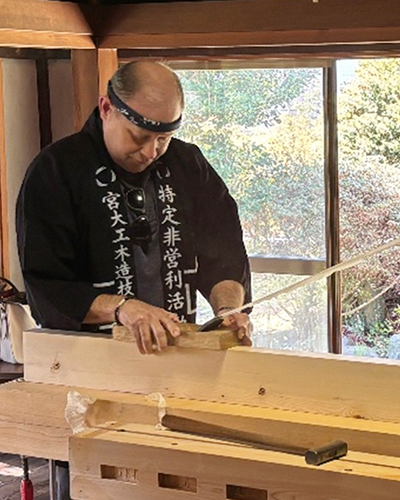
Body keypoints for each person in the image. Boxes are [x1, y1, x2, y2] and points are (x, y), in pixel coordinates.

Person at [16, 61, 252, 499]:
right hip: (93, 378)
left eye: (164, 137)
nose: (151, 152)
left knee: (181, 482)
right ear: (107, 108)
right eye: (139, 136)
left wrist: (228, 309)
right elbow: (48, 286)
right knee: (96, 485)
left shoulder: (188, 165)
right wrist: (122, 308)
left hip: (179, 369)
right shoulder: (56, 171)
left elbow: (224, 254)